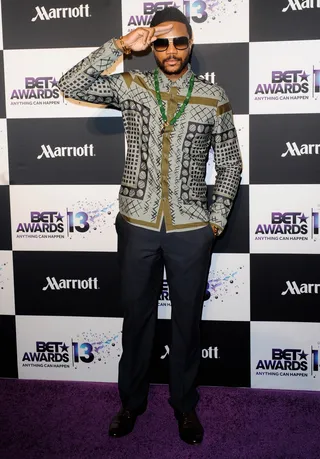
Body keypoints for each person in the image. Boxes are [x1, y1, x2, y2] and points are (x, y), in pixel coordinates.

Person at [58, 6, 242, 445]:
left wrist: (214, 222)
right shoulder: (133, 86)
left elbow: (231, 163)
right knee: (136, 318)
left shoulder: (213, 97)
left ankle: (184, 406)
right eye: (162, 42)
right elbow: (70, 84)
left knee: (186, 323)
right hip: (137, 225)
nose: (171, 49)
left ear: (191, 43)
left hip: (190, 230)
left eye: (179, 41)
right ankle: (130, 403)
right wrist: (121, 46)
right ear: (153, 47)